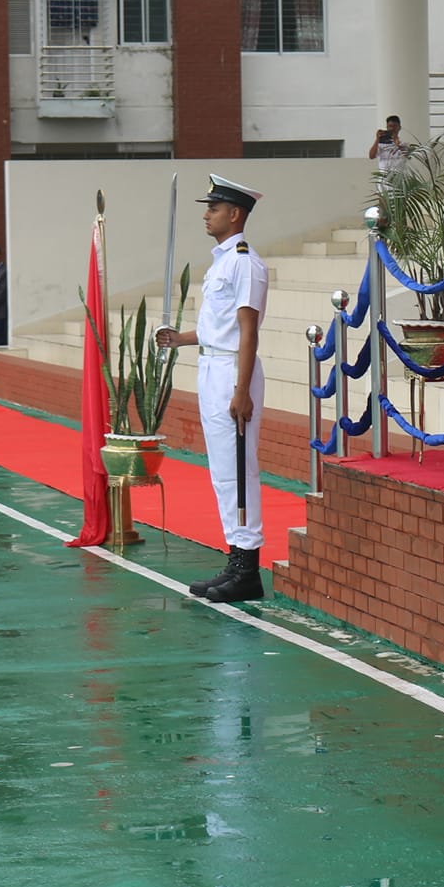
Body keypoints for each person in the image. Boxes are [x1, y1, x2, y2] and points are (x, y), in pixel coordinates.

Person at [155, 176, 270, 602]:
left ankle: (247, 568)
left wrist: (241, 390)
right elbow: (216, 329)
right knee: (224, 471)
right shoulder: (221, 262)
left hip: (231, 374)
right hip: (213, 366)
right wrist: (179, 339)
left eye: (214, 208)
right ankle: (235, 557)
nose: (206, 214)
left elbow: (247, 332)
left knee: (239, 470)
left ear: (235, 214)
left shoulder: (244, 262)